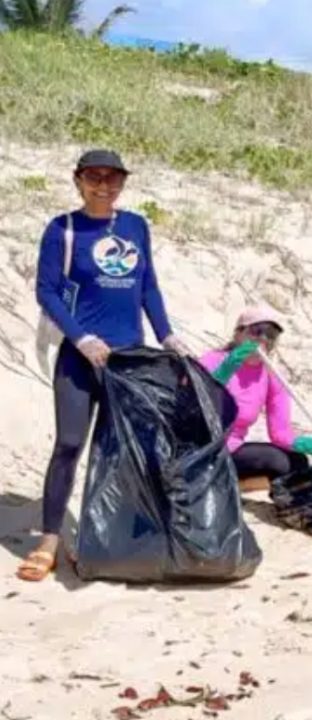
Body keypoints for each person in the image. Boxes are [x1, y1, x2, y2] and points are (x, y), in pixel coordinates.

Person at [19, 149, 191, 582]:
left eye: (113, 178)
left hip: (128, 360)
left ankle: (107, 540)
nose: (104, 185)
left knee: (120, 454)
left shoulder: (135, 226)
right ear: (78, 180)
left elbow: (147, 284)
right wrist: (81, 337)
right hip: (80, 358)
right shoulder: (64, 229)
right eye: (94, 177)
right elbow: (48, 292)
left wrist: (166, 333)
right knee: (70, 445)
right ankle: (50, 539)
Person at [199, 306, 312, 491]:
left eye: (271, 335)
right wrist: (222, 374)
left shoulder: (271, 375)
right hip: (200, 448)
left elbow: (280, 433)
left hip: (231, 448)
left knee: (296, 462)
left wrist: (310, 444)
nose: (263, 339)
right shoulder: (212, 360)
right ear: (238, 334)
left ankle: (232, 485)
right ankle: (223, 484)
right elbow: (192, 406)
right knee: (274, 460)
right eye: (256, 331)